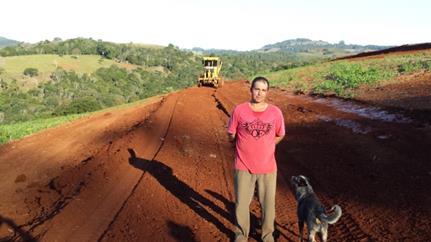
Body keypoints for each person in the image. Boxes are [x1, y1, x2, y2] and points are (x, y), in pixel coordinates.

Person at [227, 76, 285, 242]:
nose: (259, 93)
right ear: (251, 90)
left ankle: (267, 237)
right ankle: (240, 236)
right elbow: (231, 134)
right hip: (243, 165)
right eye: (256, 89)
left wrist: (268, 145)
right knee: (241, 204)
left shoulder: (275, 112)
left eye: (263, 90)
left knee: (268, 205)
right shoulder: (239, 110)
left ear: (267, 92)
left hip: (268, 167)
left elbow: (280, 134)